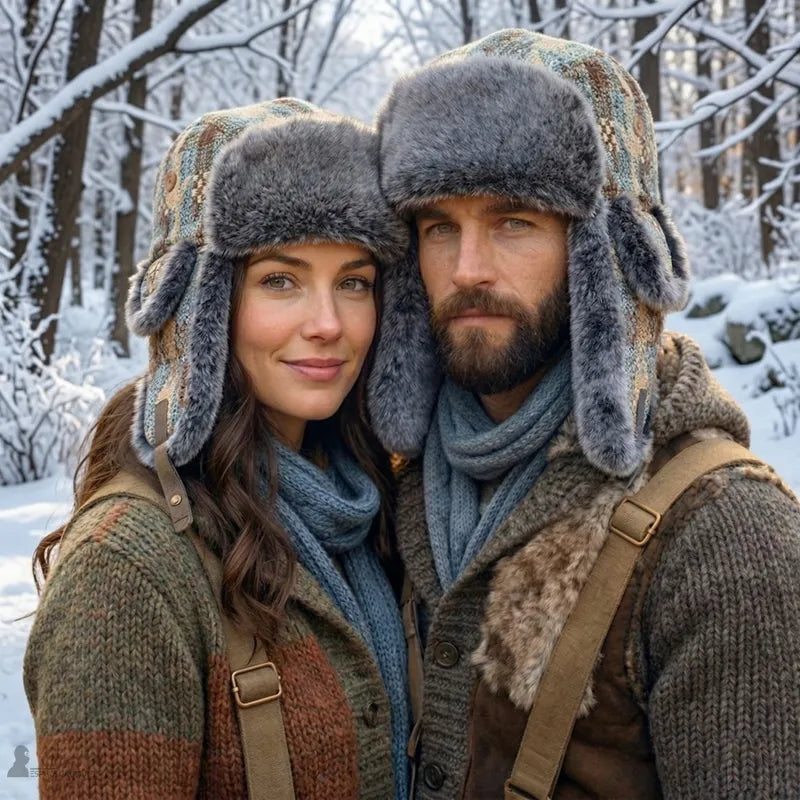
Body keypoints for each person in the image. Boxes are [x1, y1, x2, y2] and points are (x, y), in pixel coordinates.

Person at [367, 30, 800, 799]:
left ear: (604, 251)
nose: (467, 268)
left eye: (515, 220)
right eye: (439, 225)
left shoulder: (725, 536)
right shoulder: (389, 490)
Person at [24, 99, 411, 799]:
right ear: (203, 307)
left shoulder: (372, 509)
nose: (329, 323)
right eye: (279, 280)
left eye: (354, 281)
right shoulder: (130, 570)